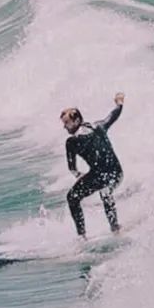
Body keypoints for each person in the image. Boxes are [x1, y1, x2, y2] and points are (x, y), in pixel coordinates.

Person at [61, 94, 125, 237]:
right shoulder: (99, 126)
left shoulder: (72, 142)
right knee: (106, 191)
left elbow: (72, 167)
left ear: (77, 120)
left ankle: (82, 236)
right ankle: (115, 229)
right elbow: (113, 115)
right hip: (117, 173)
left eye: (67, 123)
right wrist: (119, 103)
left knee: (73, 197)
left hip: (101, 176)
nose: (64, 127)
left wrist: (79, 175)